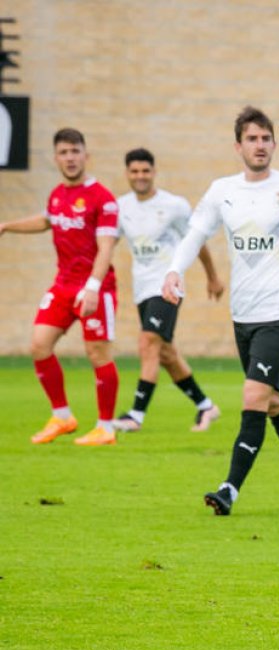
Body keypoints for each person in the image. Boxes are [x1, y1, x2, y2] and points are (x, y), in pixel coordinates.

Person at [163, 106, 279, 515]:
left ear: (275, 144)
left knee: (253, 395)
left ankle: (229, 489)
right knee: (275, 401)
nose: (260, 145)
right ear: (238, 146)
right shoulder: (221, 191)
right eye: (252, 139)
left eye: (266, 138)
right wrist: (174, 271)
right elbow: (195, 233)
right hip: (242, 314)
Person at [0, 128, 121, 446]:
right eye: (64, 153)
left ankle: (105, 428)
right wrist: (7, 226)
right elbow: (46, 220)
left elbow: (106, 246)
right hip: (63, 285)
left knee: (97, 353)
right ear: (56, 158)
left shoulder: (103, 198)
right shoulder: (57, 194)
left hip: (97, 287)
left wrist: (93, 287)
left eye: (75, 151)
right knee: (39, 345)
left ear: (86, 155)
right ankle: (63, 417)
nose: (70, 158)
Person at [111, 148, 224, 433]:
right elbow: (107, 243)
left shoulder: (174, 205)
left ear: (154, 172)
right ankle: (205, 406)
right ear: (127, 174)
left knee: (148, 341)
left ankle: (135, 415)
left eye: (145, 171)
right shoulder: (121, 207)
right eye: (134, 171)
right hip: (141, 289)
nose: (140, 176)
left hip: (168, 286)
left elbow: (196, 241)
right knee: (165, 354)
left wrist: (212, 277)